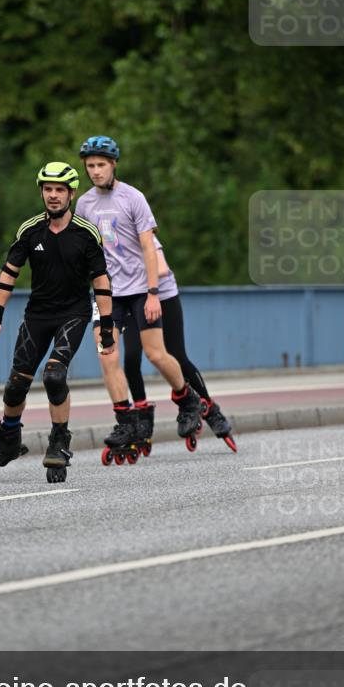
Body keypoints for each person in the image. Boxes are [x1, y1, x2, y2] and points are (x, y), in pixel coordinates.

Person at [0, 161, 115, 477]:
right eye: (48, 189)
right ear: (41, 192)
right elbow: (8, 273)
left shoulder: (86, 233)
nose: (53, 196)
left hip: (73, 314)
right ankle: (9, 438)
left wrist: (105, 326)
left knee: (54, 376)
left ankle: (59, 441)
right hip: (37, 315)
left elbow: (102, 281)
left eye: (59, 190)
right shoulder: (29, 230)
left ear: (71, 193)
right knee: (15, 385)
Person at [73, 135, 202, 456]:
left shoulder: (133, 198)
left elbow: (148, 246)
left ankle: (187, 399)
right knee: (107, 355)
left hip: (141, 290)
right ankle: (125, 420)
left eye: (101, 165)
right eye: (90, 166)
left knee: (157, 355)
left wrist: (153, 293)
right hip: (108, 293)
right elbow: (88, 252)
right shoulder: (85, 204)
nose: (96, 171)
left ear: (113, 164)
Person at [121, 239, 236, 449]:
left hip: (161, 295)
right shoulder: (108, 235)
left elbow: (162, 268)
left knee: (176, 355)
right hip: (130, 297)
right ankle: (142, 415)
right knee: (131, 357)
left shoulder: (140, 232)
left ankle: (210, 408)